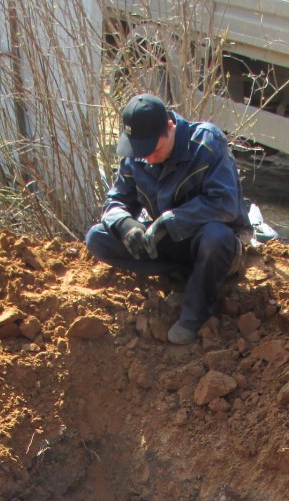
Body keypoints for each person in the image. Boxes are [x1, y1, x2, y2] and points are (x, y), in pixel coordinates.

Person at [85, 93, 251, 345]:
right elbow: (114, 202)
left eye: (154, 150)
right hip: (169, 243)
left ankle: (195, 313)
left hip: (212, 244)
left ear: (170, 128)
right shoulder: (137, 156)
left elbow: (225, 204)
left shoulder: (207, 143)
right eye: (142, 152)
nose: (148, 158)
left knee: (215, 238)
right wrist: (127, 226)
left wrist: (169, 220)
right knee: (98, 238)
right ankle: (182, 277)